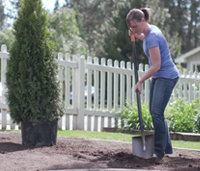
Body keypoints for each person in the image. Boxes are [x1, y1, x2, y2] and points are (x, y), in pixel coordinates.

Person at [126, 8, 179, 158]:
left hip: (167, 76)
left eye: (135, 26)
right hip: (159, 76)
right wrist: (136, 35)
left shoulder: (153, 36)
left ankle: (158, 150)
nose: (133, 29)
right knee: (156, 113)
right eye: (131, 27)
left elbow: (156, 65)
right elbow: (145, 37)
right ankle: (166, 148)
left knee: (156, 113)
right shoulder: (150, 32)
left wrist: (140, 81)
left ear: (143, 20)